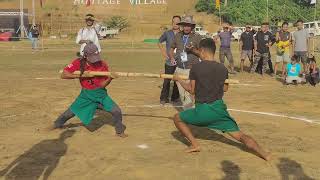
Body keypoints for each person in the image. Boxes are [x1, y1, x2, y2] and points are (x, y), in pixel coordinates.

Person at [172, 38, 271, 161]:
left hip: (202, 111)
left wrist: (179, 80)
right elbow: (225, 88)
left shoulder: (196, 67)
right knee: (240, 136)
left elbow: (191, 90)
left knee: (177, 118)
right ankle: (264, 153)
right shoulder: (222, 68)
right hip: (219, 110)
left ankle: (195, 144)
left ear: (202, 51)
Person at [51, 43, 127, 137]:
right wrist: (82, 75)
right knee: (70, 112)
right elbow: (63, 75)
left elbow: (102, 85)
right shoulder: (78, 62)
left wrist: (110, 78)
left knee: (117, 111)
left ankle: (119, 132)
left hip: (101, 95)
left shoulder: (102, 64)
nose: (95, 61)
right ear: (85, 55)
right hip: (86, 95)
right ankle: (56, 124)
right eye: (92, 57)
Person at [169, 16, 202, 110]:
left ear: (192, 27)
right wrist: (171, 57)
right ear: (182, 26)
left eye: (189, 25)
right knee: (182, 93)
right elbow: (171, 48)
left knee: (192, 91)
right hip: (179, 69)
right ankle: (188, 111)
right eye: (185, 25)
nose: (186, 27)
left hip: (192, 70)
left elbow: (201, 52)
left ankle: (194, 112)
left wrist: (192, 50)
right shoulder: (178, 36)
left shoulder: (197, 37)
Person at [158, 16, 181, 105]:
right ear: (172, 23)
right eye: (174, 22)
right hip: (169, 61)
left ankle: (175, 98)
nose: (175, 23)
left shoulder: (183, 34)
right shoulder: (167, 33)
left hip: (179, 61)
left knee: (178, 80)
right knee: (167, 80)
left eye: (177, 22)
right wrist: (164, 53)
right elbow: (159, 42)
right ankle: (163, 98)